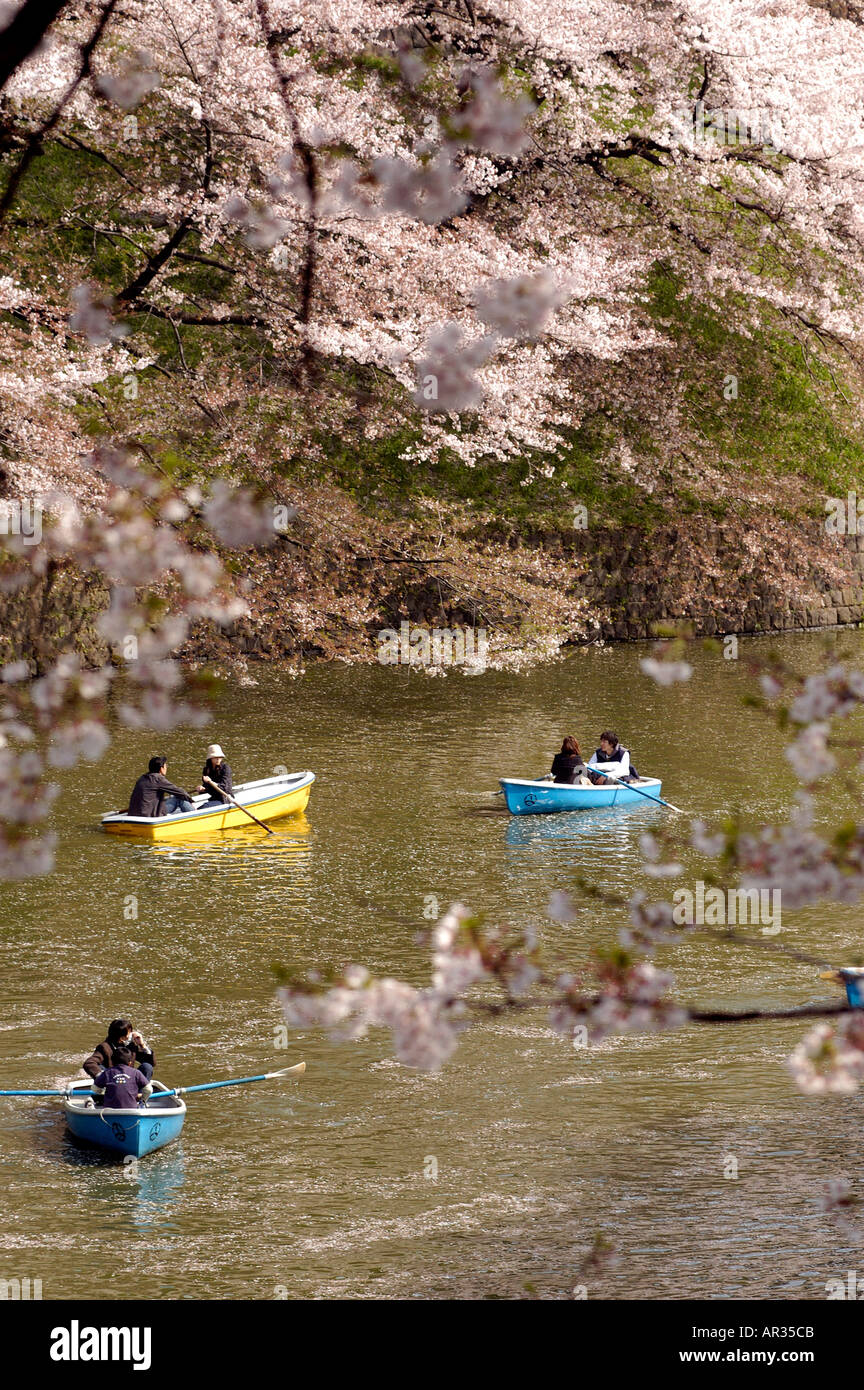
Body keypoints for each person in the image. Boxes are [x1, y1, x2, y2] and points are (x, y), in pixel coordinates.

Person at [83, 1019, 155, 1082]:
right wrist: (103, 1077)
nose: (131, 1035)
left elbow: (151, 1063)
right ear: (121, 1037)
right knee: (101, 1067)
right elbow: (89, 1063)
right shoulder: (105, 1047)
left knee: (147, 1067)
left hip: (129, 1079)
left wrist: (142, 1045)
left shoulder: (131, 1045)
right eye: (129, 1033)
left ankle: (140, 1095)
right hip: (112, 1082)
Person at [127, 756, 195, 816]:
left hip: (133, 813)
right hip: (149, 814)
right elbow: (180, 792)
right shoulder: (158, 778)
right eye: (165, 766)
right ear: (161, 769)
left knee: (171, 797)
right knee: (178, 798)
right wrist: (191, 801)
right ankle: (195, 815)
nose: (166, 768)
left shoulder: (142, 778)